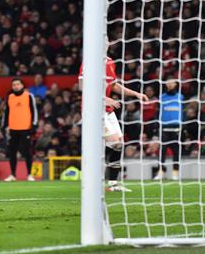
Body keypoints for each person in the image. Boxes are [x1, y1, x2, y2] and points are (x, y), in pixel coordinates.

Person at [78, 39, 149, 192]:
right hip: (93, 110)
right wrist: (105, 98)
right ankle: (92, 173)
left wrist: (136, 94)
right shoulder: (89, 61)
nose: (104, 43)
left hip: (107, 110)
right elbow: (82, 86)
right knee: (112, 142)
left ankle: (112, 184)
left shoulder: (110, 62)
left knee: (118, 144)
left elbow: (114, 85)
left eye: (106, 41)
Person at [2, 78, 38, 182]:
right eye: (14, 85)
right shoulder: (10, 97)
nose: (16, 86)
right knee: (12, 152)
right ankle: (13, 174)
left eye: (18, 84)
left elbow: (34, 111)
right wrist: (4, 125)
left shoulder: (29, 96)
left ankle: (29, 174)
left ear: (22, 85)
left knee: (27, 152)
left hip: (26, 128)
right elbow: (6, 113)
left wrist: (34, 125)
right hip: (13, 129)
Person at [153, 79, 184, 181]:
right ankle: (161, 172)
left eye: (172, 82)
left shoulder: (181, 97)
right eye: (168, 82)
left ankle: (175, 173)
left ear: (176, 84)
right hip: (164, 127)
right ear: (165, 84)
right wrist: (156, 126)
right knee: (162, 151)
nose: (170, 84)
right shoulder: (161, 97)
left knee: (176, 151)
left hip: (176, 127)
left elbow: (183, 112)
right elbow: (157, 112)